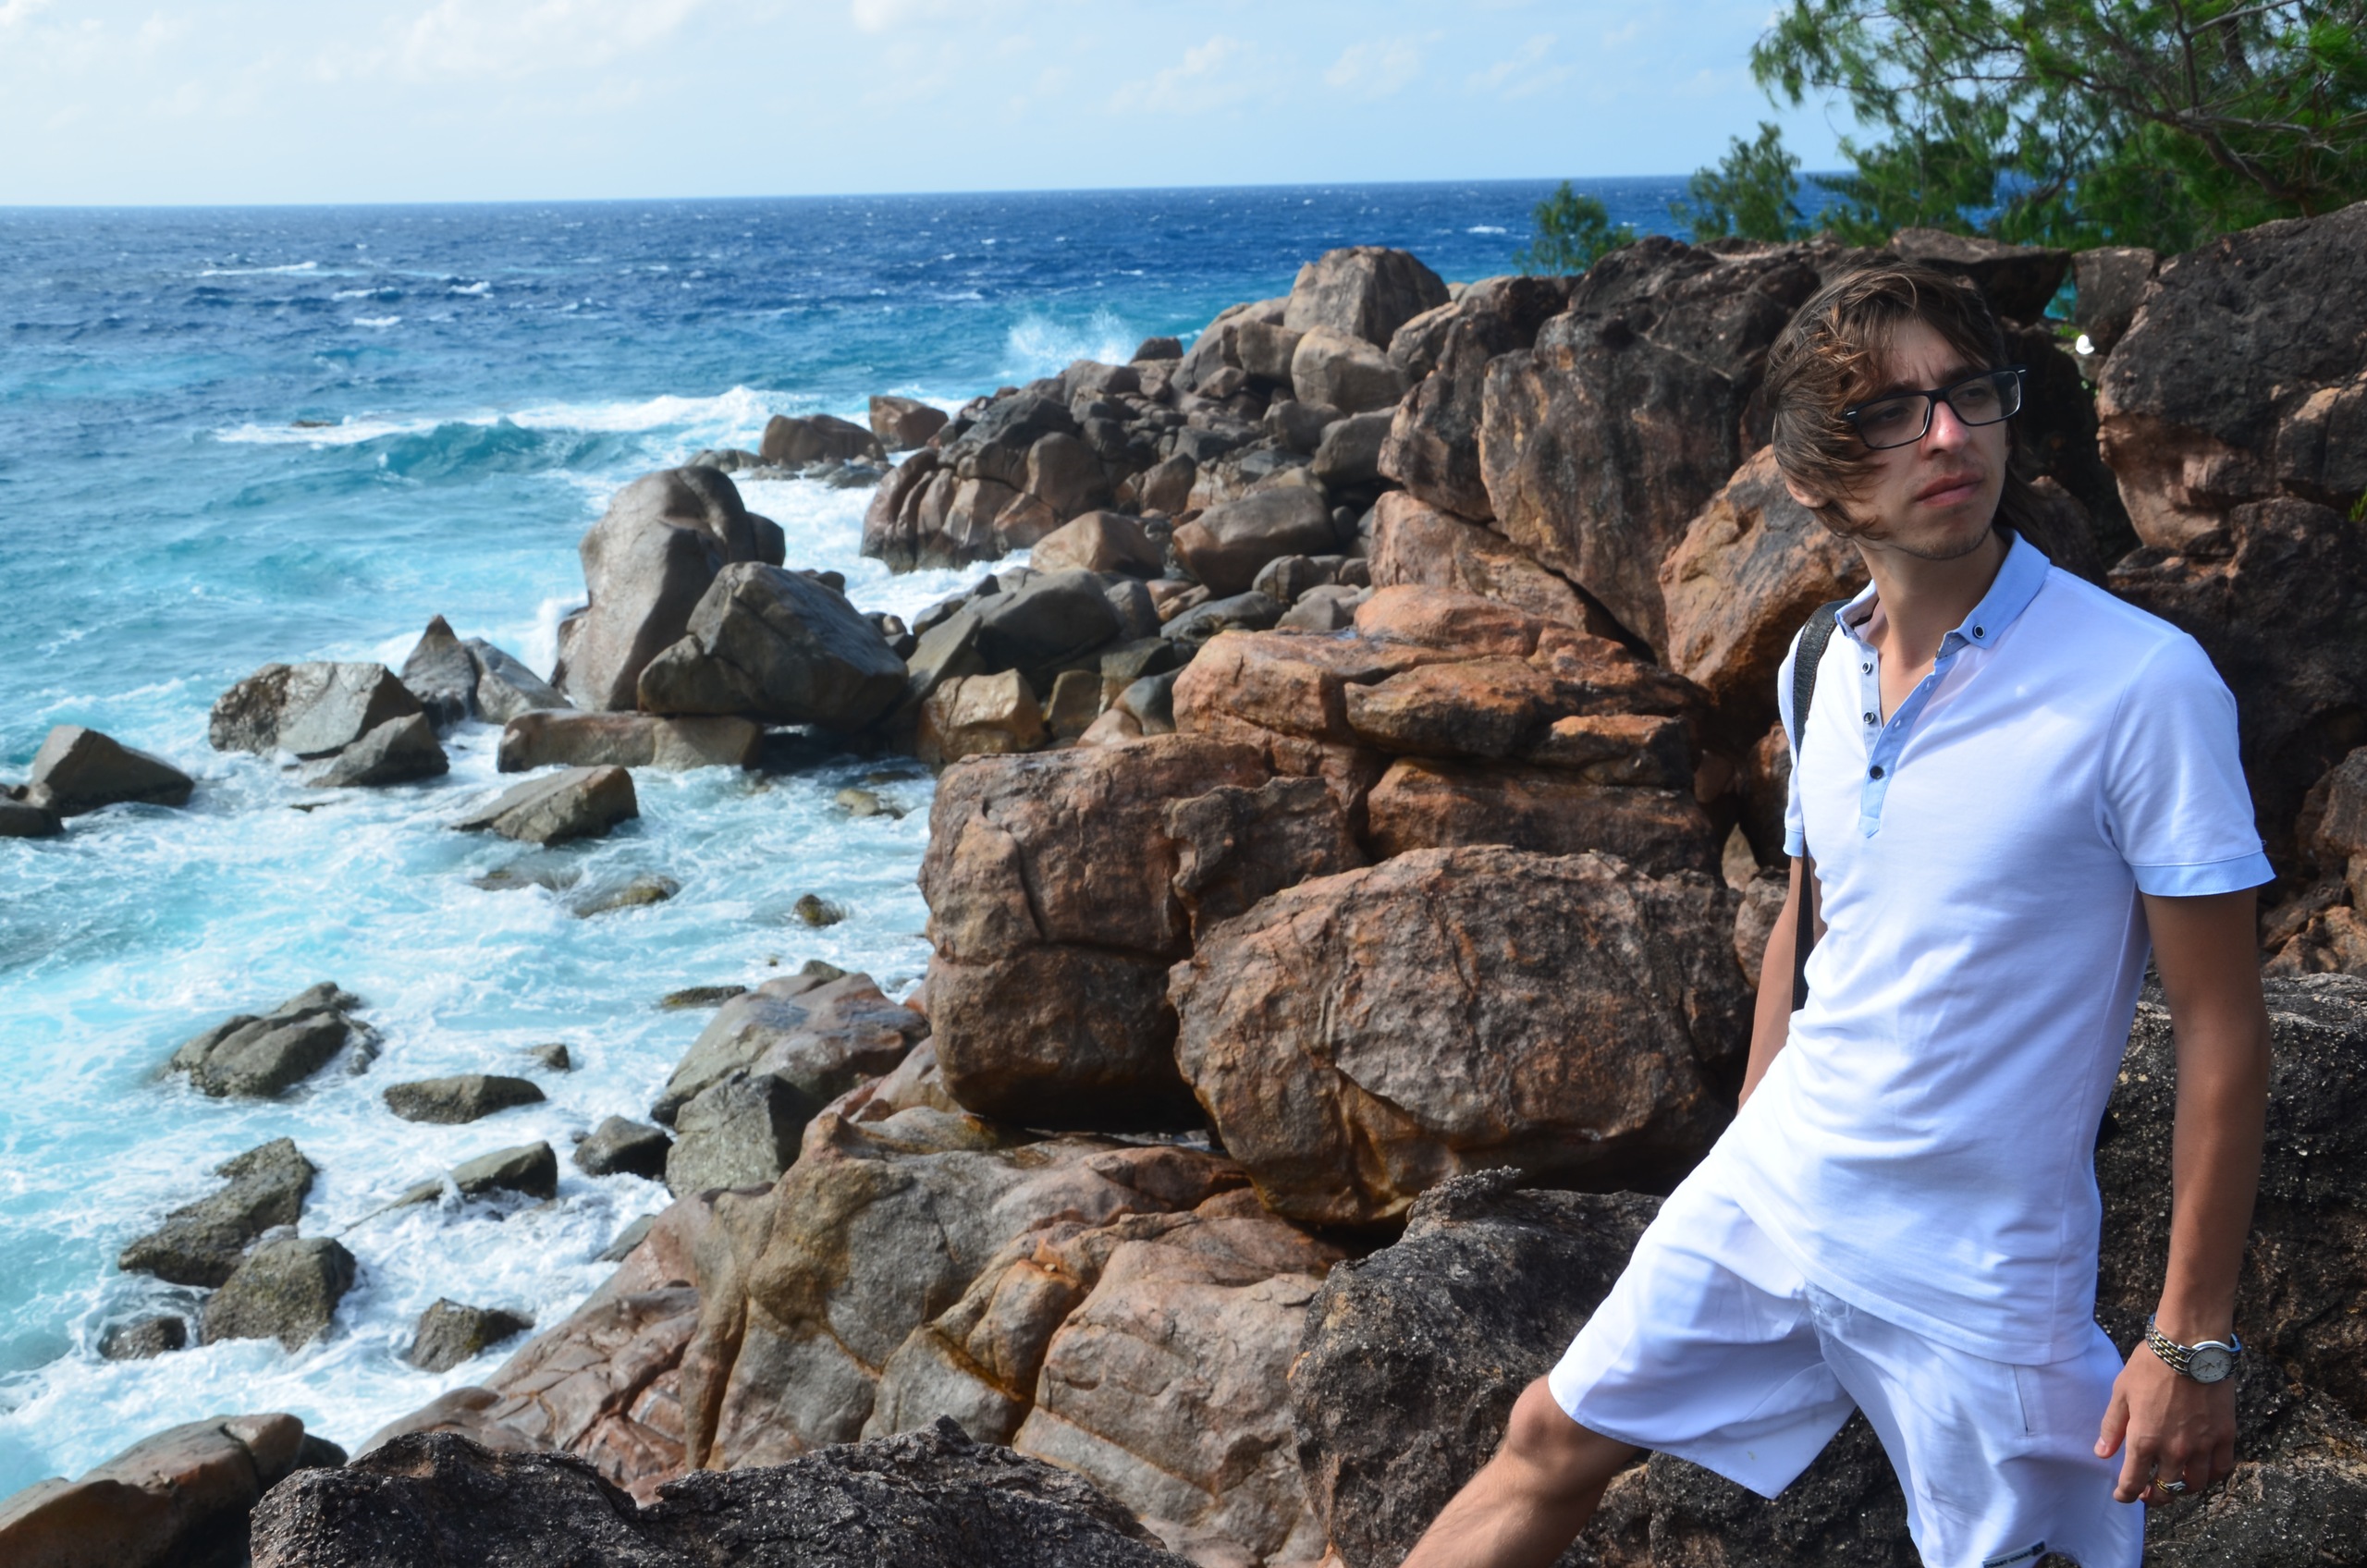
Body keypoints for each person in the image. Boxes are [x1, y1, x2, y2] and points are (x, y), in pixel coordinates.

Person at [1399, 263, 2273, 1568]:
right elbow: (1809, 923)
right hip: (1779, 1192)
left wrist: (2188, 1337)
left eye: (1967, 396)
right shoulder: (1819, 661)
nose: (1947, 437)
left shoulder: (2142, 684)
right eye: (1890, 415)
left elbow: (2222, 1029)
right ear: (1810, 479)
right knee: (1546, 1438)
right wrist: (1745, 1147)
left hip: (1980, 1274)